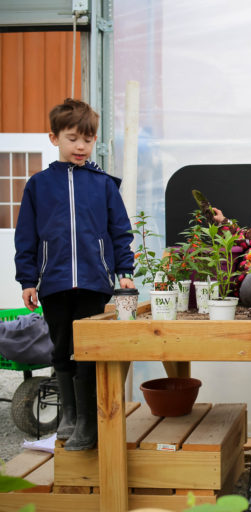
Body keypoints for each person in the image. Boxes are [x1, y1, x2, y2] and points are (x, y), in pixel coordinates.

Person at [14, 98, 135, 451]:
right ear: (54, 138)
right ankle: (68, 416)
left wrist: (124, 270)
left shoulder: (103, 185)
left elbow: (120, 231)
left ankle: (87, 422)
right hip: (53, 284)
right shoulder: (38, 185)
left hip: (95, 284)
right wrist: (27, 280)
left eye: (88, 139)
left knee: (87, 351)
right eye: (72, 138)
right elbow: (27, 236)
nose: (81, 146)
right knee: (61, 348)